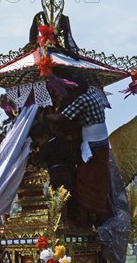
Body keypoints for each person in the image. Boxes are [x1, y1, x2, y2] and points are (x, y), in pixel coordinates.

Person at [46, 81, 110, 225]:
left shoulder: (82, 99)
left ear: (78, 88)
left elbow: (60, 118)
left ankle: (87, 218)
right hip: (101, 143)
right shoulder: (95, 91)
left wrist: (43, 116)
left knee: (84, 181)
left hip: (93, 145)